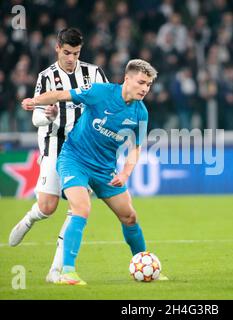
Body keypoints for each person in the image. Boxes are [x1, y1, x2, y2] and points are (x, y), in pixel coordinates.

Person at [21, 59, 165, 285]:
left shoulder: (141, 113)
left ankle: (144, 262)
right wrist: (34, 101)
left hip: (105, 169)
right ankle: (67, 271)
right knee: (81, 207)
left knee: (129, 216)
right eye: (141, 82)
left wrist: (125, 174)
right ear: (127, 79)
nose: (145, 89)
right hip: (74, 159)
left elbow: (136, 148)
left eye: (148, 85)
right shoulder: (99, 92)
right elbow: (61, 95)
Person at [8, 28, 108, 283]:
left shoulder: (94, 73)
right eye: (67, 53)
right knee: (47, 207)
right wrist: (48, 115)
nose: (71, 58)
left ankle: (56, 271)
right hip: (55, 145)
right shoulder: (47, 77)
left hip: (85, 152)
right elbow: (36, 115)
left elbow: (107, 103)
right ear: (57, 48)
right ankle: (32, 217)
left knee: (78, 208)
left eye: (76, 53)